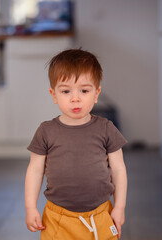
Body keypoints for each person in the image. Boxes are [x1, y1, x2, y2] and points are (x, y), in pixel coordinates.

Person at [25, 48, 127, 240]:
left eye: (84, 90)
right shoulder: (46, 131)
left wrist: (119, 207)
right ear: (53, 94)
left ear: (96, 93)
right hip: (58, 219)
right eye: (65, 91)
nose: (75, 98)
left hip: (100, 216)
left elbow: (119, 170)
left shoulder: (106, 129)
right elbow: (35, 170)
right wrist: (30, 207)